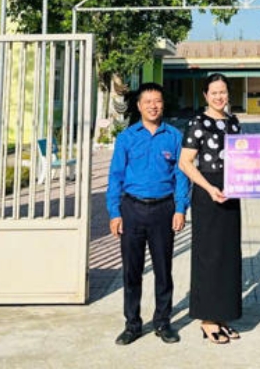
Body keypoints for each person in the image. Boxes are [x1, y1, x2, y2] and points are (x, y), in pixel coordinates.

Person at [106, 82, 190, 346]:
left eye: (158, 101)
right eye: (148, 102)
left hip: (163, 210)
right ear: (139, 106)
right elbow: (115, 176)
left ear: (163, 105)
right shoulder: (127, 137)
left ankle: (163, 322)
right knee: (132, 271)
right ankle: (132, 324)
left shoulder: (174, 136)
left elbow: (181, 176)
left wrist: (180, 209)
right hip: (132, 209)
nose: (153, 106)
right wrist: (114, 212)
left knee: (163, 270)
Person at [178, 72, 243, 345]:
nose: (219, 97)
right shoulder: (197, 123)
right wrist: (208, 187)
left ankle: (223, 315)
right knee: (208, 255)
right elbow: (185, 162)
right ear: (205, 95)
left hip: (232, 191)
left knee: (228, 255)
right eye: (214, 92)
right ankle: (207, 320)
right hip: (208, 193)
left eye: (223, 92)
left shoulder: (234, 122)